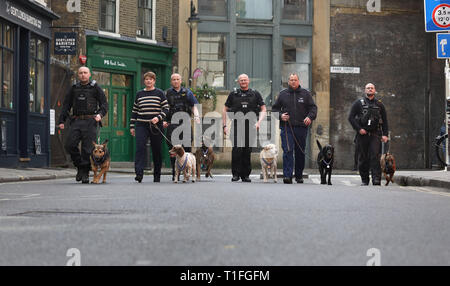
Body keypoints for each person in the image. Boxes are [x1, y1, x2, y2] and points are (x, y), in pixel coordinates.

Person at [58, 66, 108, 183]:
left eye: (85, 73)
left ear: (89, 74)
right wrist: (61, 120)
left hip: (90, 121)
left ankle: (85, 172)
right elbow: (66, 105)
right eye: (80, 73)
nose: (83, 75)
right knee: (69, 145)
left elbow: (104, 104)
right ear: (78, 75)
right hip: (76, 121)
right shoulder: (74, 88)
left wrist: (100, 115)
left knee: (87, 149)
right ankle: (79, 166)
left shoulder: (95, 88)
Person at [272, 73, 317, 184]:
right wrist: (281, 116)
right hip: (287, 128)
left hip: (301, 127)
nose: (293, 81)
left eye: (295, 80)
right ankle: (287, 176)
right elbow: (274, 110)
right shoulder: (283, 94)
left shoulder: (306, 94)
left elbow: (313, 108)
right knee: (288, 150)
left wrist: (309, 117)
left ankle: (298, 175)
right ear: (288, 81)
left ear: (298, 81)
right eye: (291, 80)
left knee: (300, 152)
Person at [222, 74, 266, 182]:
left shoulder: (255, 94)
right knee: (236, 149)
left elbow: (263, 109)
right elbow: (225, 109)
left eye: (245, 80)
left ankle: (245, 175)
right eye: (241, 80)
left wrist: (259, 122)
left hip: (251, 125)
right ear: (238, 82)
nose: (243, 82)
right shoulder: (233, 94)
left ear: (248, 81)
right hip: (237, 124)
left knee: (247, 150)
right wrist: (224, 125)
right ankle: (235, 174)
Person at [130, 71, 169, 183]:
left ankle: (157, 175)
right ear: (144, 81)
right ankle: (139, 174)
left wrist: (159, 117)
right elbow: (135, 111)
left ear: (154, 81)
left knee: (156, 150)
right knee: (140, 148)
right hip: (141, 125)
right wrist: (132, 126)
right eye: (146, 79)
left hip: (156, 125)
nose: (148, 81)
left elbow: (166, 108)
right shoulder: (139, 94)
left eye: (151, 79)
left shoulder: (160, 93)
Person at [348, 83, 389, 186]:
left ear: (374, 90)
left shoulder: (380, 104)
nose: (370, 89)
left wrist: (385, 135)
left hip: (375, 134)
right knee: (363, 157)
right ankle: (364, 180)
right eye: (368, 88)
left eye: (372, 88)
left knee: (375, 156)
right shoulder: (358, 103)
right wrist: (359, 129)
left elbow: (385, 120)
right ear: (365, 90)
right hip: (362, 134)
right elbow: (351, 118)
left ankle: (376, 179)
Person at [163, 73, 200, 181]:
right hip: (172, 124)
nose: (175, 81)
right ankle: (175, 173)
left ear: (181, 81)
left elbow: (195, 106)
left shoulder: (187, 92)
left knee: (187, 147)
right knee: (173, 148)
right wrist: (164, 120)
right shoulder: (167, 93)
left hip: (186, 123)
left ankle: (187, 172)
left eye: (177, 79)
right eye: (173, 79)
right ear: (171, 81)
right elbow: (163, 109)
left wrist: (197, 115)